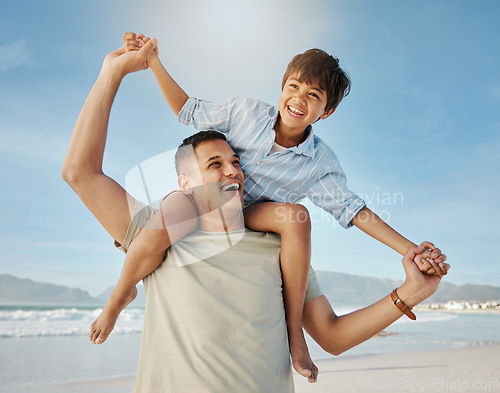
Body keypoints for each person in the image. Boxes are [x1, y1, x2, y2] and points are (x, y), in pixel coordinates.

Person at [61, 40, 447, 392]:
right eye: (215, 163)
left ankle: (294, 334)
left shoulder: (283, 250)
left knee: (295, 216)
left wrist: (413, 280)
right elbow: (83, 170)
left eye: (235, 160)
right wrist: (118, 70)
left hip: (263, 220)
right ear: (185, 181)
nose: (233, 170)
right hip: (189, 216)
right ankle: (120, 294)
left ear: (325, 111)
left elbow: (351, 218)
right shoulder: (164, 230)